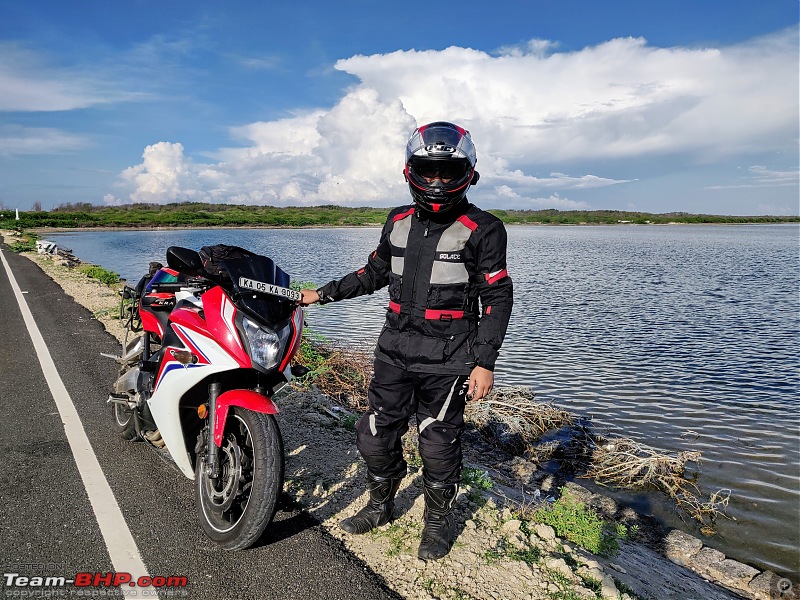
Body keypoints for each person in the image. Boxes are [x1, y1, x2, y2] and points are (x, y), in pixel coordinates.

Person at [300, 121, 513, 560]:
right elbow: (374, 272)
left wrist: (485, 362)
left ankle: (437, 522)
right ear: (410, 170)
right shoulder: (396, 220)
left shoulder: (484, 228)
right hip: (393, 353)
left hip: (451, 360)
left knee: (437, 443)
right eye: (427, 171)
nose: (436, 181)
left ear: (468, 173)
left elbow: (496, 295)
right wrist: (321, 294)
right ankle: (381, 506)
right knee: (375, 434)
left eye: (446, 172)